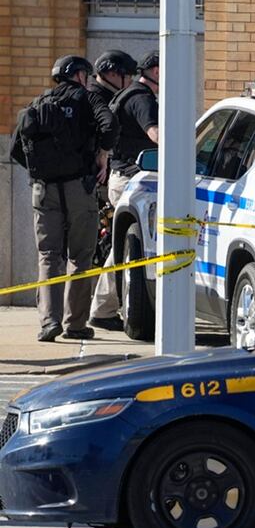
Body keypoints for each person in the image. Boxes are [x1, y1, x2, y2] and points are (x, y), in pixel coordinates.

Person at [10, 55, 118, 341]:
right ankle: (75, 324)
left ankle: (49, 322)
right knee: (80, 256)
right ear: (80, 75)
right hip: (79, 188)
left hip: (43, 189)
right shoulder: (88, 99)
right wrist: (102, 155)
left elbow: (16, 150)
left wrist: (42, 172)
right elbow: (110, 126)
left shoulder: (38, 103)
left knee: (48, 255)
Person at [89, 51, 159, 331]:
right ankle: (103, 308)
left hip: (123, 177)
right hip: (131, 179)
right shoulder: (142, 98)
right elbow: (154, 133)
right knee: (125, 247)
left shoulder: (131, 94)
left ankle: (103, 308)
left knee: (123, 246)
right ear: (154, 70)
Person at [86, 50, 138, 331]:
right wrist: (103, 156)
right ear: (111, 73)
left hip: (91, 182)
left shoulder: (99, 95)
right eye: (125, 75)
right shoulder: (100, 98)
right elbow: (108, 129)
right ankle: (102, 307)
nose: (129, 81)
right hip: (97, 182)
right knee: (110, 246)